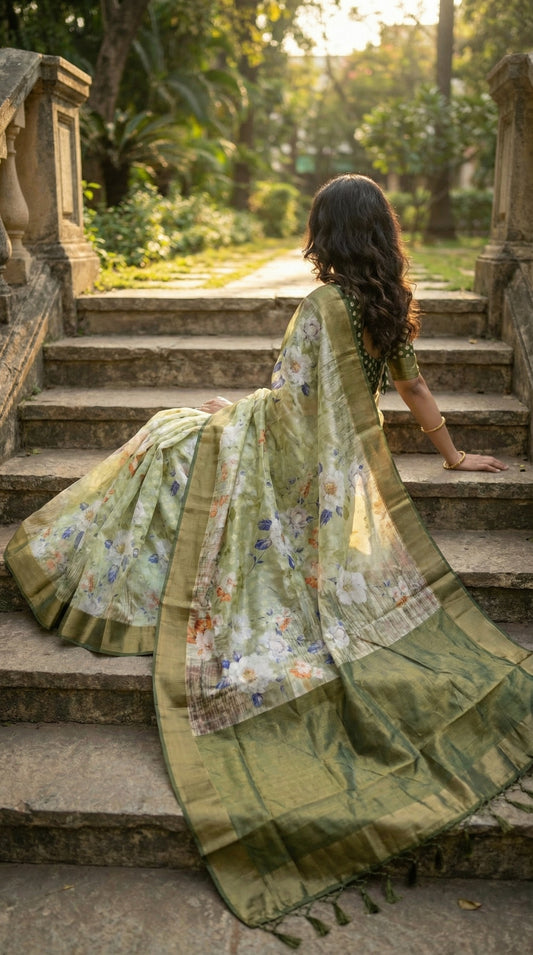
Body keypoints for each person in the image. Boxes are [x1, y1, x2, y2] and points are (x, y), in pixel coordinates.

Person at [5, 175, 531, 932]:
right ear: (379, 233)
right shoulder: (390, 306)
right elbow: (413, 393)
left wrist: (231, 413)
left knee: (162, 437)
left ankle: (88, 576)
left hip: (284, 467)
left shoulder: (320, 307)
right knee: (178, 431)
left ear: (327, 234)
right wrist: (451, 456)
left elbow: (284, 405)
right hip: (332, 481)